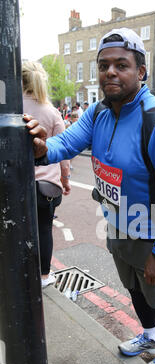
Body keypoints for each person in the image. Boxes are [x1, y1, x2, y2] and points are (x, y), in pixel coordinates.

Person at [24, 28, 155, 364]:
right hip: (118, 224)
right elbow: (67, 142)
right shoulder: (100, 110)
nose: (111, 73)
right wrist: (43, 148)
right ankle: (148, 338)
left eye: (122, 65)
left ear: (141, 72)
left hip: (152, 232)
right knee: (134, 289)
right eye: (104, 66)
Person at [22, 61, 71, 288]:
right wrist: (65, 179)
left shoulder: (10, 109)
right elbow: (64, 152)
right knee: (44, 229)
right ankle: (43, 276)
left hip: (18, 185)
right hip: (46, 187)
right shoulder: (51, 112)